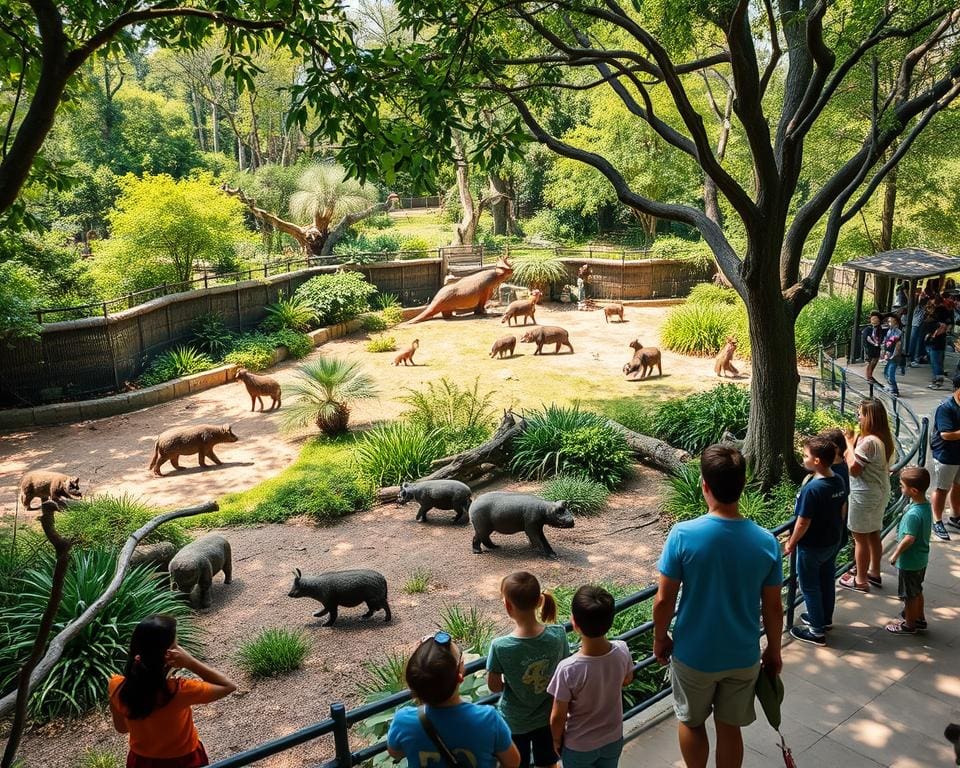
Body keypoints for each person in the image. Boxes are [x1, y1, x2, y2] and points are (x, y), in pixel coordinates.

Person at [653, 445, 783, 768]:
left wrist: (659, 638)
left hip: (694, 655)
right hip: (742, 655)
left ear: (704, 485)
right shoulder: (767, 542)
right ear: (743, 484)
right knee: (730, 728)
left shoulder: (682, 535)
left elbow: (663, 599)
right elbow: (773, 608)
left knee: (692, 722)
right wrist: (774, 650)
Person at [109, 615, 236, 768]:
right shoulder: (179, 691)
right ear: (169, 654)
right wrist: (191, 662)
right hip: (185, 761)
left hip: (141, 763)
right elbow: (228, 686)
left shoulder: (116, 685)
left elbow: (122, 728)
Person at [388, 634, 520, 768]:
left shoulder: (403, 721)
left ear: (413, 683)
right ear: (460, 676)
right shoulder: (488, 719)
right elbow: (513, 762)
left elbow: (395, 752)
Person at [487, 572, 570, 768]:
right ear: (540, 601)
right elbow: (564, 672)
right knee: (549, 764)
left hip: (515, 722)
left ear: (508, 606)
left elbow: (495, 687)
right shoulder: (558, 634)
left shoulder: (500, 646)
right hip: (549, 717)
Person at [547, 585, 633, 768]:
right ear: (611, 621)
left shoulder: (568, 669)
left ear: (575, 623)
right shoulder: (622, 650)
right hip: (613, 737)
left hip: (579, 746)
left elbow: (558, 715)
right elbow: (627, 679)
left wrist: (555, 739)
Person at [784, 437, 848, 646]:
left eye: (806, 456)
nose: (803, 459)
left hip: (812, 545)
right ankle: (824, 619)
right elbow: (842, 508)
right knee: (826, 580)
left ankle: (816, 631)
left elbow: (803, 522)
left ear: (818, 461)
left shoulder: (812, 489)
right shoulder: (837, 480)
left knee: (810, 586)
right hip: (831, 541)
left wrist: (791, 543)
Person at [838, 399, 895, 592]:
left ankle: (860, 580)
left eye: (861, 414)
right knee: (873, 534)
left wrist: (847, 442)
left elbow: (854, 469)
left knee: (860, 538)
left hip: (864, 495)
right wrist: (854, 441)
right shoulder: (883, 438)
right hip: (879, 492)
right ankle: (874, 572)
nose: (858, 417)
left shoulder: (869, 442)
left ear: (869, 417)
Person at [886, 466, 932, 635]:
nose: (900, 488)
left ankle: (909, 625)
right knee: (917, 590)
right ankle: (919, 618)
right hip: (921, 559)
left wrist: (895, 554)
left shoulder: (913, 515)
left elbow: (909, 538)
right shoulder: (925, 507)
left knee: (909, 595)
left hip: (909, 562)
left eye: (902, 485)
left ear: (913, 490)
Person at [928, 374, 960, 541]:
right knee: (942, 488)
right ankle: (937, 520)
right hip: (946, 455)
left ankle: (955, 517)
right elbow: (946, 435)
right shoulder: (946, 407)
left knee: (958, 486)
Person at [923, 296, 952, 389]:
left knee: (936, 362)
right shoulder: (931, 314)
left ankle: (938, 381)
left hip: (936, 341)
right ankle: (935, 379)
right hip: (931, 340)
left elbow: (944, 326)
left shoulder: (941, 311)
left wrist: (935, 334)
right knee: (933, 361)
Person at [880, 313, 903, 396]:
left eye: (891, 321)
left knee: (890, 373)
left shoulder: (898, 332)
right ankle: (891, 387)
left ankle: (894, 390)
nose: (889, 323)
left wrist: (893, 355)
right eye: (888, 321)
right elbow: (886, 342)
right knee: (886, 372)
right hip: (889, 354)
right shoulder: (890, 331)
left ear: (896, 322)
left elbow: (898, 344)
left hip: (894, 355)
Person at [861, 311, 885, 387]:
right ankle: (869, 376)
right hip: (870, 347)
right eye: (872, 319)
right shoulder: (868, 329)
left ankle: (870, 376)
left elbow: (881, 337)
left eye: (875, 318)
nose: (873, 320)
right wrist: (875, 343)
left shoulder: (879, 328)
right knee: (871, 362)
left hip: (876, 348)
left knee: (874, 361)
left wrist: (879, 344)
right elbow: (867, 338)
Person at [908, 297, 930, 366]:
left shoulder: (919, 307)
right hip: (917, 326)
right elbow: (922, 318)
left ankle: (913, 358)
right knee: (916, 342)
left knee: (915, 342)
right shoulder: (920, 308)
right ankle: (913, 358)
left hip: (915, 325)